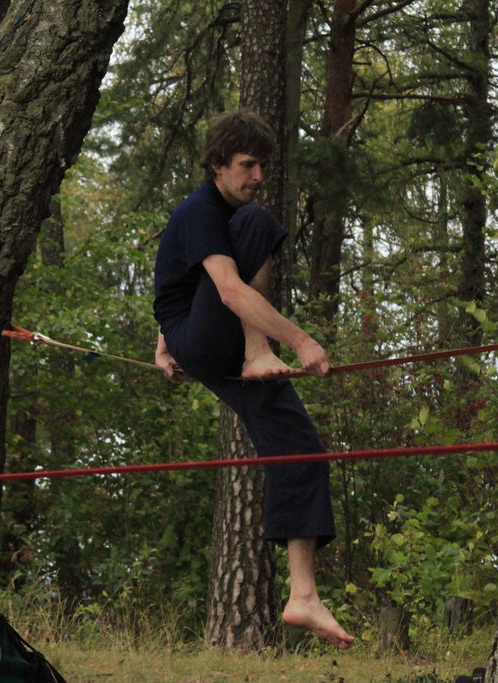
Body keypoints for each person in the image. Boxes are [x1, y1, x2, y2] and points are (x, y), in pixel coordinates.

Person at [152, 110, 354, 649]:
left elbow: (177, 278)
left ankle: (303, 596)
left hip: (199, 342)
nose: (257, 175)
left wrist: (162, 344)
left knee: (300, 449)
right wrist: (302, 341)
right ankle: (255, 350)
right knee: (257, 224)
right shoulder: (201, 210)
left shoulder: (223, 215)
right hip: (205, 339)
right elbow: (227, 292)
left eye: (262, 165)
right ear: (217, 165)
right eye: (247, 165)